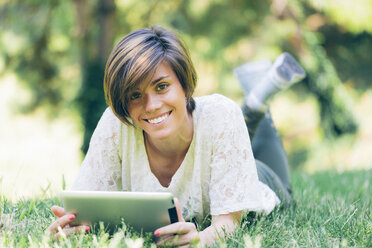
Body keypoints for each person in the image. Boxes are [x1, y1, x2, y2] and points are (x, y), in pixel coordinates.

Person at [47, 25, 305, 246]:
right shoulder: (116, 125)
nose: (151, 105)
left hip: (261, 178)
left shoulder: (221, 114)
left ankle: (257, 103)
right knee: (226, 130)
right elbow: (85, 207)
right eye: (135, 95)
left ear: (186, 84)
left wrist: (199, 241)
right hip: (212, 135)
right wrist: (72, 226)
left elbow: (227, 226)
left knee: (246, 133)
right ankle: (251, 108)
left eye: (162, 86)